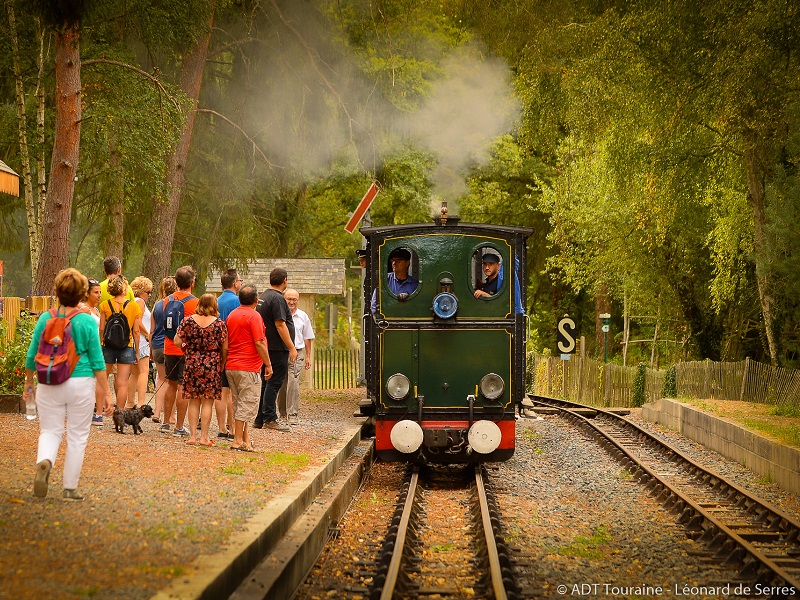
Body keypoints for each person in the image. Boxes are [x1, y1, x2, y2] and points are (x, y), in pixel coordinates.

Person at [23, 268, 113, 501]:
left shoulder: (46, 318)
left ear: (58, 292)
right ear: (82, 294)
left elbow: (32, 354)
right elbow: (97, 361)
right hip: (80, 382)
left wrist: (28, 384)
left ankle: (45, 461)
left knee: (50, 431)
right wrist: (106, 393)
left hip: (49, 380)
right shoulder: (86, 321)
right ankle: (69, 487)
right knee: (77, 436)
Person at [174, 294, 228, 447]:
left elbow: (177, 341)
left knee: (193, 399)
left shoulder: (188, 321)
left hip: (192, 362)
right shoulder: (219, 324)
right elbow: (225, 347)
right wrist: (222, 362)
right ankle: (204, 437)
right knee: (207, 402)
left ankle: (192, 436)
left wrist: (186, 347)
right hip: (212, 363)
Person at [225, 285, 272, 451]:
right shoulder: (254, 316)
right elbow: (259, 342)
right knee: (248, 403)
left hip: (231, 365)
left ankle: (245, 438)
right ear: (256, 301)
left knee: (239, 403)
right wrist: (268, 364)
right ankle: (237, 440)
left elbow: (226, 342)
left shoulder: (232, 315)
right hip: (248, 367)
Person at [254, 268, 296, 431]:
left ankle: (260, 417)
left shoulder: (264, 296)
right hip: (277, 348)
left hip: (267, 347)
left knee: (265, 383)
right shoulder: (277, 299)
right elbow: (280, 324)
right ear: (284, 280)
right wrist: (291, 347)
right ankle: (270, 418)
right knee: (274, 382)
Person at [161, 266, 199, 436]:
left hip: (169, 346)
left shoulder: (166, 301)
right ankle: (179, 426)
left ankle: (165, 422)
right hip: (186, 350)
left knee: (170, 384)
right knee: (183, 387)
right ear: (192, 283)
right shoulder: (196, 302)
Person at [98, 274, 142, 411]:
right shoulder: (134, 307)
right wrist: (136, 351)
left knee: (102, 379)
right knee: (123, 383)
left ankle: (99, 412)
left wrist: (101, 343)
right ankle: (120, 414)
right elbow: (136, 331)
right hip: (126, 346)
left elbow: (101, 328)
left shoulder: (105, 305)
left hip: (108, 345)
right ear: (124, 288)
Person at [277, 288, 314, 425]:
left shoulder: (303, 316)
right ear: (284, 299)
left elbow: (307, 338)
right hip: (282, 352)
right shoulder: (279, 315)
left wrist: (308, 357)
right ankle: (282, 412)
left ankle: (292, 414)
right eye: (289, 299)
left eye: (294, 299)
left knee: (293, 382)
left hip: (297, 353)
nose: (291, 302)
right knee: (282, 383)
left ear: (298, 301)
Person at [215, 268, 242, 440]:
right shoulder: (238, 302)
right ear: (234, 283)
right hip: (233, 349)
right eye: (240, 280)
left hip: (216, 350)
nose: (241, 283)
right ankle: (232, 428)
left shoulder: (216, 301)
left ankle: (221, 428)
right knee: (233, 393)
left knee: (221, 392)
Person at [150, 276, 177, 425]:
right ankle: (171, 415)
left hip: (157, 345)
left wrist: (151, 347)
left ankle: (156, 411)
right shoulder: (176, 305)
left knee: (161, 379)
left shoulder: (157, 305)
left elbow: (152, 330)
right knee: (172, 382)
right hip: (170, 346)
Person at [127, 276, 153, 408]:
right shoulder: (140, 302)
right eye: (147, 292)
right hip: (142, 340)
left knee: (134, 373)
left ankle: (130, 402)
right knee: (144, 371)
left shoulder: (132, 301)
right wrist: (147, 334)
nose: (149, 295)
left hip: (134, 341)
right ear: (140, 291)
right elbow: (139, 322)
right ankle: (141, 401)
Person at [371, 247, 418, 313]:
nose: (394, 263)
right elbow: (374, 305)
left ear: (407, 263)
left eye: (398, 261)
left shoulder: (415, 284)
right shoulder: (384, 280)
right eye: (393, 260)